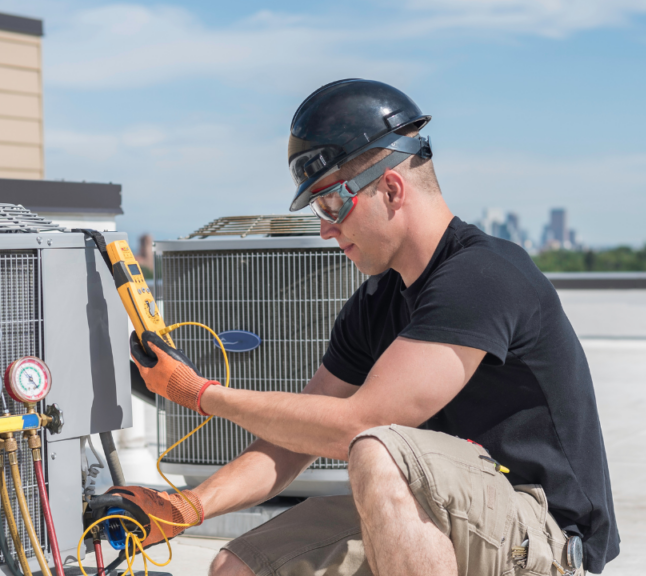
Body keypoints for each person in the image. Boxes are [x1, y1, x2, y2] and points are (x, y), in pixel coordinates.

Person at [108, 79, 619, 576]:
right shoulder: (377, 301)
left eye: (332, 204)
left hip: (542, 539)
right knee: (241, 565)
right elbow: (294, 442)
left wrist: (200, 394)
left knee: (377, 451)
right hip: (448, 517)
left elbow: (359, 424)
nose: (327, 229)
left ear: (391, 189)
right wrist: (188, 507)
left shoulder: (483, 277)